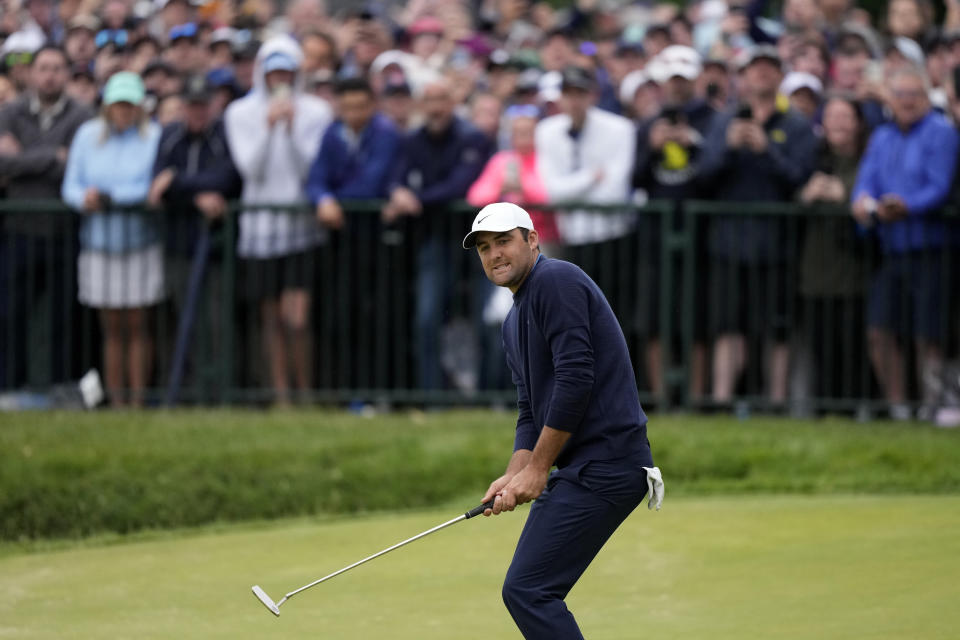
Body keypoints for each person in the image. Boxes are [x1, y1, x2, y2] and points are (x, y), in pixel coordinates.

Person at [462, 201, 663, 639]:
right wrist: (515, 471)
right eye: (483, 248)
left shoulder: (556, 279)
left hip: (608, 463)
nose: (493, 254)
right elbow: (530, 409)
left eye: (503, 242)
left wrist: (537, 469)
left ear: (532, 240)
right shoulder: (513, 319)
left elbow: (576, 379)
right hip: (584, 468)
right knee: (528, 588)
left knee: (529, 588)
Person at [700, 45, 817, 407]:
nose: (762, 73)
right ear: (744, 76)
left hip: (776, 243)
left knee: (777, 329)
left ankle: (776, 403)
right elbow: (703, 177)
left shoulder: (796, 124)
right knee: (727, 327)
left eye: (769, 68)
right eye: (755, 68)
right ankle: (721, 400)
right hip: (729, 242)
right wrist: (729, 149)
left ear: (780, 76)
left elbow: (799, 178)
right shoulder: (724, 121)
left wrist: (767, 149)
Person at [224, 34, 333, 405]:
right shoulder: (239, 112)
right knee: (270, 319)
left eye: (287, 72)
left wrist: (289, 129)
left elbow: (311, 170)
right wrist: (270, 127)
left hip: (301, 229)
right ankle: (282, 397)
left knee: (297, 319)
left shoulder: (317, 111)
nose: (280, 80)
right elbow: (248, 170)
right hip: (259, 230)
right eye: (274, 73)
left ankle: (306, 394)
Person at [850, 67, 959, 419]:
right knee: (879, 330)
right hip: (890, 247)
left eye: (915, 94)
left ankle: (935, 405)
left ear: (928, 99)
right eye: (900, 94)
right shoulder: (882, 136)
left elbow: (939, 186)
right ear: (890, 99)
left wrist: (906, 205)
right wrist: (865, 203)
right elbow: (865, 181)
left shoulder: (942, 133)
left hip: (931, 247)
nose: (907, 101)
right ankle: (899, 408)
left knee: (929, 333)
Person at [61, 71, 164, 407]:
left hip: (139, 242)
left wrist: (112, 196)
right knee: (112, 328)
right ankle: (118, 402)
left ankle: (137, 400)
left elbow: (151, 186)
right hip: (99, 243)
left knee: (137, 324)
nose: (124, 109)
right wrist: (85, 199)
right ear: (107, 105)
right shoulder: (87, 136)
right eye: (118, 103)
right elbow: (71, 185)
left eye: (129, 104)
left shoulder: (153, 137)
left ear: (138, 106)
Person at [382, 77, 491, 391]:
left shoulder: (473, 138)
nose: (436, 108)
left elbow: (461, 186)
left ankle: (488, 395)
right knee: (427, 319)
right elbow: (395, 177)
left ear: (453, 103)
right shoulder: (412, 140)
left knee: (487, 319)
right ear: (421, 106)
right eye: (429, 101)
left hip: (477, 241)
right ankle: (431, 397)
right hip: (435, 238)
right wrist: (397, 192)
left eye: (442, 99)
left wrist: (415, 201)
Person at [0, 45, 94, 389]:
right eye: (43, 67)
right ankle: (9, 388)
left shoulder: (82, 115)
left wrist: (22, 160)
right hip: (18, 231)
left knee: (62, 319)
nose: (50, 74)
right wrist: (53, 156)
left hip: (63, 233)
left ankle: (58, 390)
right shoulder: (10, 112)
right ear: (31, 73)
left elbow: (79, 165)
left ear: (67, 74)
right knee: (10, 315)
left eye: (56, 67)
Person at [148, 74, 243, 399]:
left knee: (215, 322)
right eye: (193, 106)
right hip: (177, 244)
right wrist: (196, 195)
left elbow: (228, 177)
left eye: (204, 106)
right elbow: (158, 183)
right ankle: (186, 392)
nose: (198, 113)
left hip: (216, 247)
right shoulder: (170, 135)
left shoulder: (223, 135)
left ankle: (217, 392)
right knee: (180, 318)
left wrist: (179, 183)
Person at [633, 44, 717, 402]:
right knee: (653, 320)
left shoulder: (713, 120)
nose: (677, 87)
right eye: (672, 80)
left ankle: (695, 398)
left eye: (683, 80)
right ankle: (662, 397)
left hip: (699, 235)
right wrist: (652, 148)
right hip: (655, 236)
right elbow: (634, 180)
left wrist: (694, 145)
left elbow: (715, 178)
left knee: (696, 322)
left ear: (695, 79)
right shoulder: (648, 124)